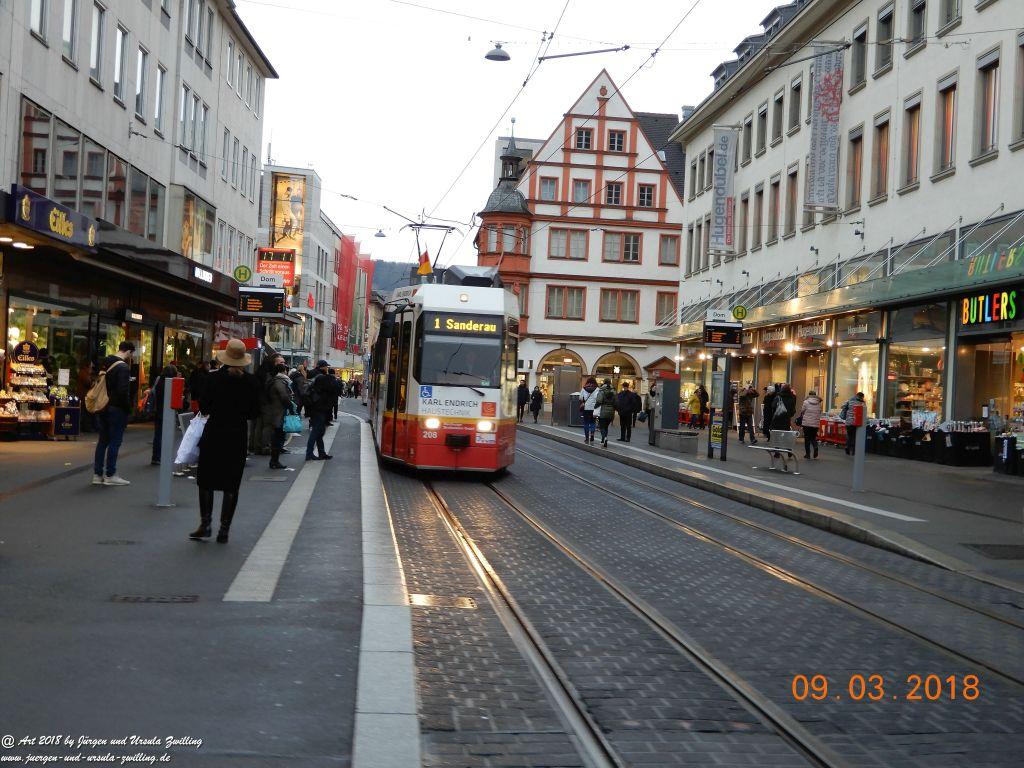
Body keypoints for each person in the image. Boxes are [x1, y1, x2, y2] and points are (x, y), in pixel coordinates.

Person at [190, 339, 259, 543]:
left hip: (214, 433)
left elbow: (204, 407)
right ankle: (224, 529)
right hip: (237, 436)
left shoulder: (212, 379)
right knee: (231, 484)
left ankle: (206, 523)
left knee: (206, 480)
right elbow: (254, 412)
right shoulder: (251, 382)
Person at [92, 341, 134, 487]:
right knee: (115, 441)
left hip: (102, 406)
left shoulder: (105, 363)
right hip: (116, 408)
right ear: (128, 352)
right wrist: (128, 408)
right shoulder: (123, 367)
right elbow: (122, 392)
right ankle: (111, 474)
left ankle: (97, 474)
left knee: (102, 441)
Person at [305, 360, 341, 460]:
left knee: (320, 431)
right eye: (326, 367)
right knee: (316, 431)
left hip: (315, 407)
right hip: (319, 408)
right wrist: (332, 378)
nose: (327, 369)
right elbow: (335, 388)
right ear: (322, 367)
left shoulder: (315, 375)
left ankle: (321, 452)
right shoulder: (321, 377)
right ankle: (309, 453)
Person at [265, 362, 294, 469]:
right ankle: (274, 461)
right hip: (278, 412)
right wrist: (290, 406)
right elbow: (284, 396)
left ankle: (274, 460)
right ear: (283, 371)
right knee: (277, 437)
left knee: (277, 436)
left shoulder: (273, 380)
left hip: (275, 411)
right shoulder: (279, 381)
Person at [150, 364, 179, 465]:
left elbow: (153, 392)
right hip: (169, 412)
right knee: (167, 435)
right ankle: (165, 456)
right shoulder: (174, 382)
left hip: (158, 410)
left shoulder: (159, 379)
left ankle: (156, 457)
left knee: (158, 435)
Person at [798, 389, 823, 459]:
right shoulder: (819, 403)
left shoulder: (806, 402)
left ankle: (807, 454)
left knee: (807, 438)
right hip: (815, 423)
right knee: (813, 437)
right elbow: (820, 412)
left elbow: (802, 411)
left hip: (807, 423)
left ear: (809, 395)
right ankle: (815, 447)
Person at [841, 391, 866, 455]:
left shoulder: (849, 401)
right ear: (862, 397)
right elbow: (864, 412)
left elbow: (843, 407)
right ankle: (854, 450)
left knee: (849, 435)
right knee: (855, 436)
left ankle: (847, 446)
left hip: (848, 422)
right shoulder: (862, 403)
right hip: (856, 422)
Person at [577, 377, 600, 444]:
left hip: (586, 408)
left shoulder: (584, 388)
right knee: (593, 422)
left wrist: (584, 401)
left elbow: (580, 398)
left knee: (586, 423)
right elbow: (598, 398)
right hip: (594, 408)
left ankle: (587, 437)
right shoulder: (597, 389)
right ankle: (592, 434)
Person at [595, 378, 616, 448]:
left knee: (602, 426)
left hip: (603, 410)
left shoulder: (601, 390)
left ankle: (604, 438)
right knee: (606, 426)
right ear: (610, 383)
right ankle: (604, 438)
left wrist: (595, 407)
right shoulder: (614, 391)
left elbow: (599, 400)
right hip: (611, 411)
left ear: (604, 383)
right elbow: (616, 401)